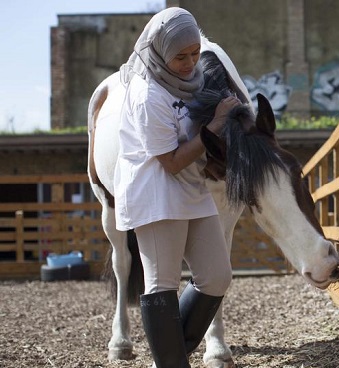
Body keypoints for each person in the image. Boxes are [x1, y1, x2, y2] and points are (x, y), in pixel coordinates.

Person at [114, 7, 241, 367]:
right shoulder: (147, 94)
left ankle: (168, 358)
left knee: (217, 276)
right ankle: (171, 362)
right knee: (161, 284)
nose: (189, 63)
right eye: (180, 56)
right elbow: (169, 161)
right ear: (159, 53)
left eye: (195, 53)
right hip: (155, 193)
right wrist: (215, 126)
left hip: (191, 188)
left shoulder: (193, 79)